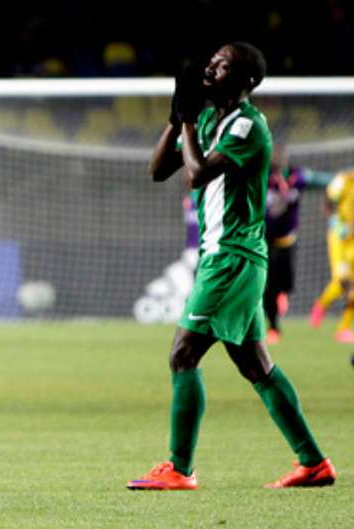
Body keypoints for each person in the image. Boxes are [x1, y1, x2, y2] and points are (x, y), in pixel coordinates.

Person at [127, 42, 335, 490]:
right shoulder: (206, 118)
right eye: (210, 62)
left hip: (233, 256)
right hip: (222, 256)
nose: (210, 68)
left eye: (221, 65)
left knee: (183, 354)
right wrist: (175, 117)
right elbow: (158, 170)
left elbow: (197, 174)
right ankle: (314, 463)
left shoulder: (247, 125)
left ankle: (180, 468)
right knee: (256, 366)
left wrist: (185, 121)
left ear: (246, 82)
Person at [263, 145, 332, 344]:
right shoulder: (261, 179)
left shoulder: (297, 177)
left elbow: (323, 181)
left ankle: (283, 293)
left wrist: (343, 178)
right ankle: (274, 327)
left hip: (287, 241)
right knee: (269, 287)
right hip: (265, 241)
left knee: (288, 281)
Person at [309, 169, 354, 342]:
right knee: (342, 281)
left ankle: (343, 329)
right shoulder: (343, 180)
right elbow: (328, 199)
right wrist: (333, 220)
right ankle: (321, 304)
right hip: (340, 238)